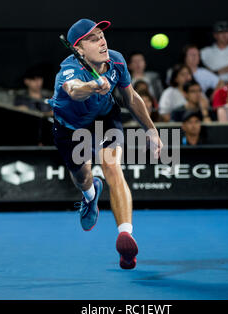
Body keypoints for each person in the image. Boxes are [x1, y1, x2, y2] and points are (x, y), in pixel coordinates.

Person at [48, 19, 163, 270]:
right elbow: (74, 89)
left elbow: (131, 98)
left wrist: (151, 130)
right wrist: (92, 86)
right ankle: (90, 195)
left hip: (104, 118)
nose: (102, 41)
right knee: (83, 177)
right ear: (78, 49)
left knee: (113, 167)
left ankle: (125, 236)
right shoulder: (67, 71)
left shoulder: (116, 61)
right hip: (70, 127)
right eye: (93, 38)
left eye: (101, 35)